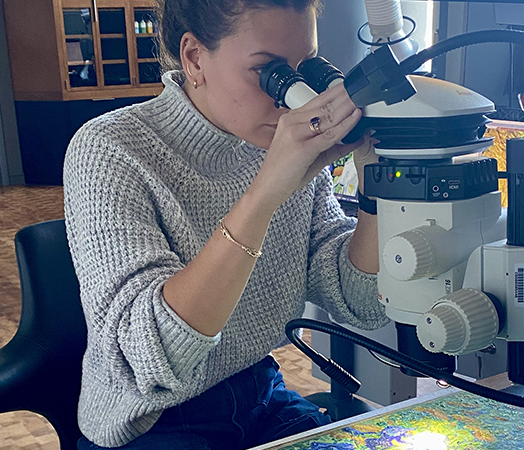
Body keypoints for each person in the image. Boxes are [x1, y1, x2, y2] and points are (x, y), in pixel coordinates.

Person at [63, 0, 388, 448]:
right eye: (270, 72)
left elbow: (361, 304)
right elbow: (154, 358)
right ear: (195, 57)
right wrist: (264, 194)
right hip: (150, 420)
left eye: (304, 69)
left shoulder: (278, 141)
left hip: (259, 392)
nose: (293, 97)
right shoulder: (110, 151)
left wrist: (377, 189)